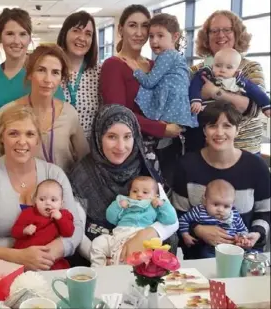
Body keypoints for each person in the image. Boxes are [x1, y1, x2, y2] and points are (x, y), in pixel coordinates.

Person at [0, 104, 83, 271]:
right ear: (1, 138)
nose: (22, 141)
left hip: (48, 266)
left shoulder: (54, 174)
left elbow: (76, 227)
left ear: (38, 140)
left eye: (30, 134)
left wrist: (51, 253)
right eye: (13, 133)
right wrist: (19, 257)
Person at [68, 104, 178, 265]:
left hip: (142, 251)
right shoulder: (82, 173)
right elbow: (76, 229)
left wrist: (146, 234)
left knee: (169, 238)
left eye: (127, 137)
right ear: (99, 137)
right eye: (112, 137)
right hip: (99, 254)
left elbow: (172, 221)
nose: (121, 147)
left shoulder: (145, 166)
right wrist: (107, 257)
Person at [172, 101, 270, 259]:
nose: (219, 132)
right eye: (212, 126)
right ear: (204, 130)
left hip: (244, 254)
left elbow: (265, 212)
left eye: (227, 126)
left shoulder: (256, 167)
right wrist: (198, 229)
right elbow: (177, 213)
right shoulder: (186, 165)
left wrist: (255, 235)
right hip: (199, 257)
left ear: (237, 130)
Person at [0, 44, 89, 172]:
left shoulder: (69, 114)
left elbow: (85, 162)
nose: (48, 79)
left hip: (61, 188)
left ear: (61, 78)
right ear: (30, 73)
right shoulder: (8, 112)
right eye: (41, 70)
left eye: (55, 72)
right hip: (20, 189)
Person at [99, 5, 183, 173]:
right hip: (133, 151)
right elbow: (119, 114)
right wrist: (161, 128)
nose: (139, 32)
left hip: (165, 148)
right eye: (132, 25)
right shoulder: (113, 65)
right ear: (121, 29)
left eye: (144, 26)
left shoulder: (155, 65)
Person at [187, 10, 267, 154]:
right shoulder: (196, 71)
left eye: (227, 30)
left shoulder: (250, 67)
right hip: (204, 152)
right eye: (214, 31)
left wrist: (215, 93)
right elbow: (182, 105)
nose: (221, 35)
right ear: (207, 37)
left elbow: (254, 109)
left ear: (237, 34)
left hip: (244, 150)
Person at [123, 13, 198, 128]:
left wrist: (136, 69)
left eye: (160, 36)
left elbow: (149, 82)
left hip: (170, 106)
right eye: (151, 36)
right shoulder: (177, 56)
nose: (154, 41)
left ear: (175, 37)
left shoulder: (167, 55)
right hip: (179, 106)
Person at [90, 176, 177, 267]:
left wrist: (163, 205)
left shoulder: (154, 205)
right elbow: (110, 218)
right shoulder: (124, 202)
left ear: (155, 196)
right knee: (98, 243)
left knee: (134, 258)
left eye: (145, 192)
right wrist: (118, 206)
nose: (139, 194)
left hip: (139, 234)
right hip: (118, 235)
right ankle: (98, 268)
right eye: (134, 191)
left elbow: (170, 220)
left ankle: (118, 265)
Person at [178, 179, 259, 259]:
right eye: (216, 204)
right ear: (205, 201)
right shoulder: (199, 211)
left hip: (232, 247)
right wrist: (185, 235)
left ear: (232, 205)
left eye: (226, 206)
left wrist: (243, 238)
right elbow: (183, 220)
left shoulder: (234, 215)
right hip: (210, 247)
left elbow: (242, 229)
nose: (220, 210)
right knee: (204, 254)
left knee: (250, 254)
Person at [0, 8, 33, 125]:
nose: (16, 41)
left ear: (29, 39)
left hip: (34, 143)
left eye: (23, 34)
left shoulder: (41, 74)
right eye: (10, 34)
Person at [11, 179, 74, 270]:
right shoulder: (28, 213)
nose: (48, 203)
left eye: (53, 200)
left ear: (61, 203)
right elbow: (14, 231)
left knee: (61, 270)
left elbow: (69, 232)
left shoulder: (64, 215)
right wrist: (24, 230)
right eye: (42, 199)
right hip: (25, 259)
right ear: (35, 201)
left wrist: (60, 218)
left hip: (52, 261)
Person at [56, 11, 102, 138]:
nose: (82, 38)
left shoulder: (100, 72)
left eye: (88, 34)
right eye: (76, 31)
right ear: (65, 33)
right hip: (56, 146)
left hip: (90, 150)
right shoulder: (52, 69)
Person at [189, 48, 270, 117]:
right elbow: (194, 85)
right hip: (203, 111)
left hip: (229, 116)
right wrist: (196, 99)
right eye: (218, 65)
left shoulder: (240, 81)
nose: (222, 70)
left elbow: (256, 91)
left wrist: (266, 105)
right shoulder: (205, 74)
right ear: (213, 64)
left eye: (229, 67)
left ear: (236, 70)